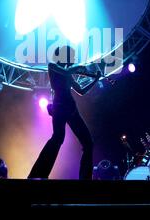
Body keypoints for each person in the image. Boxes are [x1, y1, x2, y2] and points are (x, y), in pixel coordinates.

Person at [28, 46, 101, 180]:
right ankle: (37, 175)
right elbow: (66, 72)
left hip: (71, 108)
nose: (73, 59)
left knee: (88, 142)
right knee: (58, 138)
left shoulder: (67, 73)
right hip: (60, 108)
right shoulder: (53, 66)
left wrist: (95, 79)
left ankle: (85, 179)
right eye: (71, 56)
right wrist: (80, 67)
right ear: (64, 56)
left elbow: (81, 91)